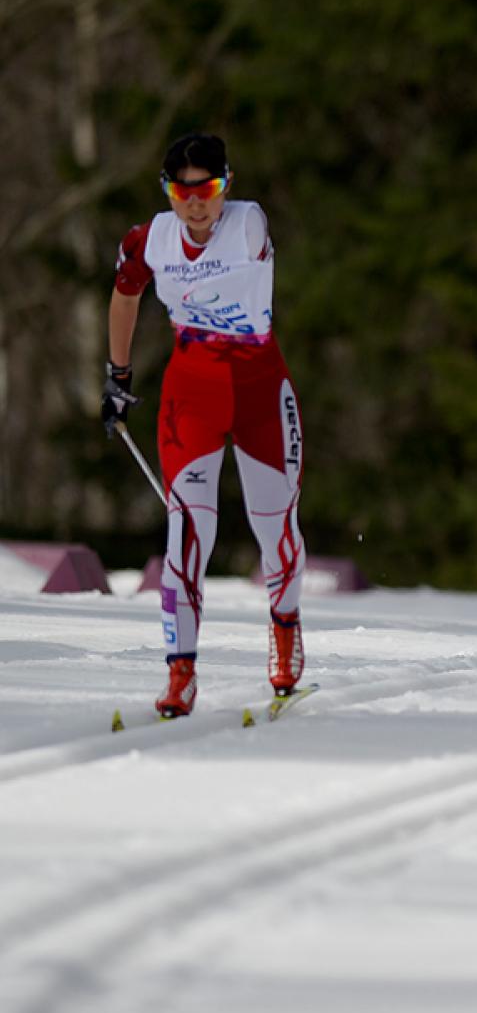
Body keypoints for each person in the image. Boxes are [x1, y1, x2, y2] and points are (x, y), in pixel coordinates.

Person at [101, 132, 306, 717]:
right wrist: (118, 376)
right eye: (182, 190)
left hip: (260, 384)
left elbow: (223, 258)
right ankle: (180, 672)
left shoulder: (248, 226)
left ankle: (286, 630)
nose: (196, 203)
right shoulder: (150, 240)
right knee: (188, 530)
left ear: (227, 186)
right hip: (193, 386)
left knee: (276, 526)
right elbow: (123, 297)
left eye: (208, 188)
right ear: (168, 191)